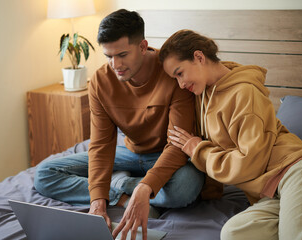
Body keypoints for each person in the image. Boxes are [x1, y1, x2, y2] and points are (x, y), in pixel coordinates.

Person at [34, 10, 205, 240]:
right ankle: (121, 194)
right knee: (45, 173)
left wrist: (145, 188)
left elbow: (177, 146)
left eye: (122, 54)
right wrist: (98, 201)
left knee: (187, 186)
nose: (115, 64)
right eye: (108, 56)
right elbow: (102, 144)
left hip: (164, 154)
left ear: (143, 46)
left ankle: (123, 182)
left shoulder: (171, 74)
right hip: (126, 151)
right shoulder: (100, 81)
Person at [159, 29, 302, 240]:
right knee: (232, 233)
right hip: (267, 193)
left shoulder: (246, 93)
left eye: (180, 73)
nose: (181, 84)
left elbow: (249, 162)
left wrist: (197, 149)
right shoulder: (204, 93)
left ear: (199, 57)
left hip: (293, 172)